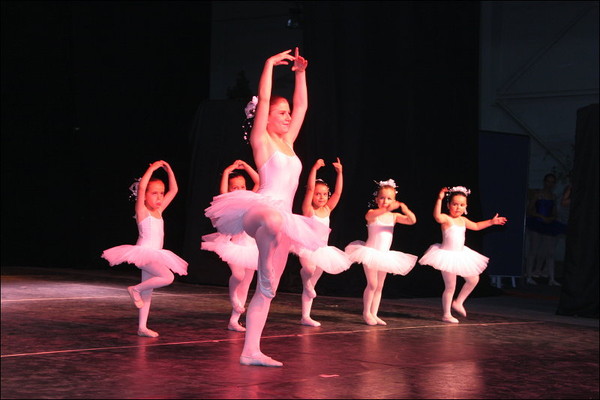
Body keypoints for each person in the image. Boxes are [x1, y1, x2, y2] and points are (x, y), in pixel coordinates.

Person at [205, 48, 329, 367]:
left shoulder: (288, 144)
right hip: (258, 212)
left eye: (288, 113)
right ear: (267, 116)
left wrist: (300, 73)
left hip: (284, 222)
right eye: (282, 112)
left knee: (268, 291)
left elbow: (303, 105)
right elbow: (264, 95)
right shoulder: (262, 141)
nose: (288, 116)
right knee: (273, 221)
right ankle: (264, 265)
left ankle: (251, 351)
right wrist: (269, 65)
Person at [102, 160, 188, 337]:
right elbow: (141, 187)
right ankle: (135, 289)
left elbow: (175, 191)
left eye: (161, 194)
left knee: (148, 292)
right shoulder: (142, 210)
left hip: (156, 254)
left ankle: (142, 327)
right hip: (144, 253)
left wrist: (170, 170)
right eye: (154, 193)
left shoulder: (160, 211)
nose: (159, 197)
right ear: (145, 195)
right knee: (167, 276)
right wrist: (152, 168)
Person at [419, 186, 507, 323]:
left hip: (461, 254)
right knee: (450, 286)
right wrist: (439, 199)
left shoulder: (463, 221)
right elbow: (436, 216)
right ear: (448, 205)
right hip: (447, 256)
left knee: (473, 279)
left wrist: (492, 222)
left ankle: (458, 302)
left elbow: (477, 226)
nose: (458, 207)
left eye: (461, 205)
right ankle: (446, 314)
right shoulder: (446, 219)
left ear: (465, 206)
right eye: (455, 204)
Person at [345, 179, 418, 326]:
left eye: (389, 198)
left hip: (384, 256)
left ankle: (374, 313)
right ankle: (366, 313)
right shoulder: (372, 213)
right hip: (370, 253)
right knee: (372, 284)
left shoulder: (394, 217)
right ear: (376, 199)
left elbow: (412, 221)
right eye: (382, 198)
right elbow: (369, 217)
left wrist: (405, 209)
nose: (386, 201)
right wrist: (388, 208)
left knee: (379, 286)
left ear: (395, 200)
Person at [201, 160, 259, 332]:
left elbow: (259, 182)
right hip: (233, 245)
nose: (239, 190)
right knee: (238, 275)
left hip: (250, 246)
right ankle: (233, 296)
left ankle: (234, 320)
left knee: (246, 282)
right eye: (235, 187)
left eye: (242, 187)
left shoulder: (250, 201)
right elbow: (222, 193)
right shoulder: (228, 203)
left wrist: (247, 167)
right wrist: (227, 171)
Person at [297, 157, 351, 327]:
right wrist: (314, 168)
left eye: (324, 194)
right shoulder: (308, 209)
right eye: (317, 194)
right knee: (308, 269)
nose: (321, 197)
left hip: (322, 250)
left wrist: (340, 173)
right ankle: (304, 280)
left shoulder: (327, 209)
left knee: (312, 286)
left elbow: (338, 193)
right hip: (306, 248)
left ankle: (305, 316)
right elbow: (310, 187)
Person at [524, 173, 565, 286]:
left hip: (548, 224)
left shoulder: (553, 196)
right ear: (544, 182)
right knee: (534, 250)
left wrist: (551, 218)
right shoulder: (538, 195)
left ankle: (551, 278)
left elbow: (554, 211)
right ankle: (529, 276)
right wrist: (540, 216)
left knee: (550, 252)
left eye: (552, 182)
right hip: (537, 223)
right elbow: (529, 210)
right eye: (548, 181)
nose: (550, 184)